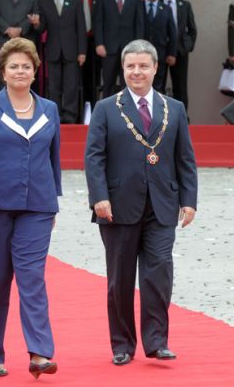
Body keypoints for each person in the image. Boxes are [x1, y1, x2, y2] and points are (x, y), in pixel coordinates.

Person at [84, 39, 197, 365]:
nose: (137, 72)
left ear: (155, 68)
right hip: (117, 207)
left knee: (158, 274)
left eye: (143, 66)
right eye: (131, 66)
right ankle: (122, 344)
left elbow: (185, 158)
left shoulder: (174, 108)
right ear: (123, 69)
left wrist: (189, 200)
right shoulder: (106, 108)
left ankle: (156, 341)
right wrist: (99, 198)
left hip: (162, 205)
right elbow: (94, 158)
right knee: (119, 280)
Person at [0, 37, 61, 379]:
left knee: (32, 278)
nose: (20, 71)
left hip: (38, 207)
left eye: (26, 66)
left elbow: (54, 159)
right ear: (3, 72)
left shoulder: (49, 109)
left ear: (35, 72)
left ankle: (39, 353)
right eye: (14, 66)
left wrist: (53, 204)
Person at [31, 0, 86, 123]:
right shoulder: (45, 2)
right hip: (53, 49)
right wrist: (36, 24)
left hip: (72, 50)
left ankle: (70, 115)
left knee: (71, 84)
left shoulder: (75, 1)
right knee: (54, 85)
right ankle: (55, 115)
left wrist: (82, 52)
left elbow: (81, 27)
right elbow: (42, 28)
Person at [94, 0, 144, 98]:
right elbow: (98, 22)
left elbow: (139, 24)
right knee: (108, 83)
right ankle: (108, 116)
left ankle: (127, 115)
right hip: (108, 48)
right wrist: (99, 43)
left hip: (129, 49)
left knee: (128, 83)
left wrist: (138, 47)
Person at [161, 0, 197, 112]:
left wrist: (187, 47)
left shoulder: (185, 5)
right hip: (161, 52)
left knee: (180, 88)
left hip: (180, 52)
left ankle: (182, 119)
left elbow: (192, 29)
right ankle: (158, 119)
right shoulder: (157, 4)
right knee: (158, 87)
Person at [69, 0, 101, 115]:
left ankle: (94, 112)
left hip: (96, 43)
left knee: (94, 79)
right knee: (76, 80)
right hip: (75, 44)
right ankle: (78, 113)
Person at [141, 0, 176, 94]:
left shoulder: (166, 9)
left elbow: (172, 33)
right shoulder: (137, 7)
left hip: (159, 55)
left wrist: (171, 53)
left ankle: (156, 112)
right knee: (140, 87)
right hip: (139, 55)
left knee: (157, 88)